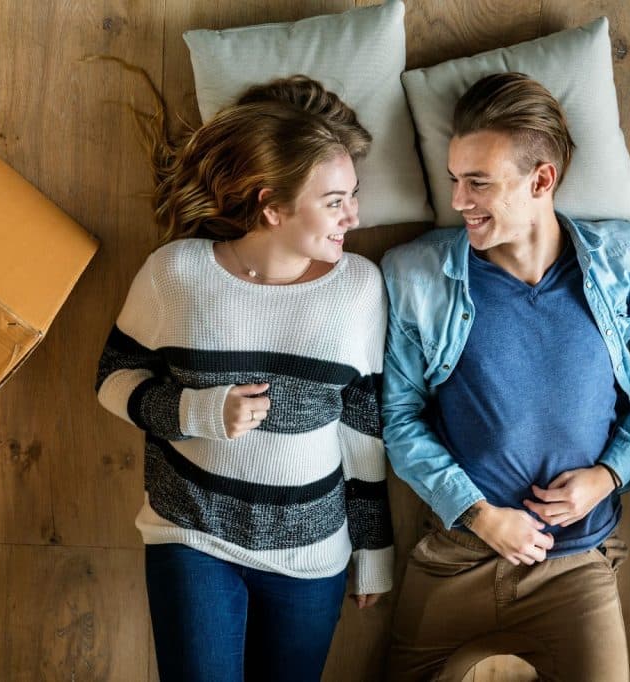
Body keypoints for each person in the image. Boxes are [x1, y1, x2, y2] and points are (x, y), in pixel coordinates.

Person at [382, 72, 630, 681]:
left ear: (541, 179)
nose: (458, 201)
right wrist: (480, 515)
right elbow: (399, 419)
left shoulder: (625, 262)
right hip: (457, 556)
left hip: (576, 565)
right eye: (454, 179)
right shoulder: (415, 276)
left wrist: (609, 475)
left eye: (478, 182)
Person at [95, 75, 393, 682]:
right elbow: (112, 378)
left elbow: (364, 430)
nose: (354, 215)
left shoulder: (360, 288)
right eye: (334, 200)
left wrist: (374, 551)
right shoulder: (176, 275)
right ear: (272, 205)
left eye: (352, 195)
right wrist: (193, 412)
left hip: (313, 554)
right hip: (192, 533)